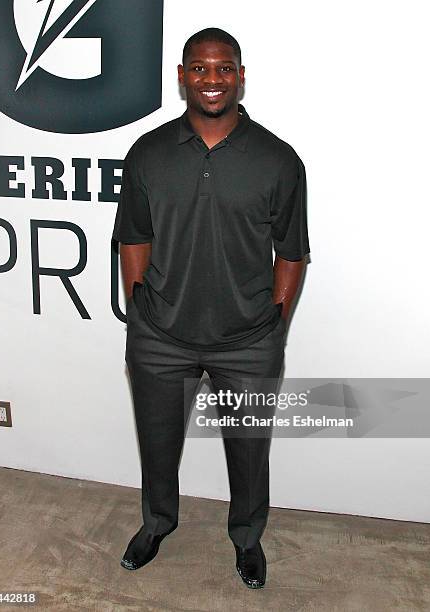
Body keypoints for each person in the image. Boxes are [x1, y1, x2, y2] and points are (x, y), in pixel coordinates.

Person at [112, 27, 310, 589]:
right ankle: (156, 524)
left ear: (241, 76)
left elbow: (292, 251)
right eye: (200, 68)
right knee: (156, 446)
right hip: (159, 337)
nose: (212, 79)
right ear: (182, 77)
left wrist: (274, 324)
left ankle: (247, 539)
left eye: (224, 68)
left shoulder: (278, 159)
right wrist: (138, 304)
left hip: (248, 341)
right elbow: (133, 235)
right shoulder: (147, 153)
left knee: (249, 454)